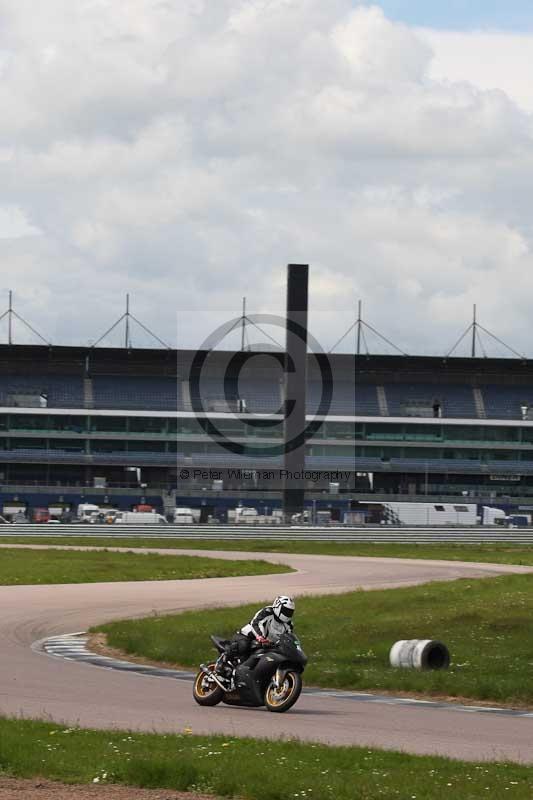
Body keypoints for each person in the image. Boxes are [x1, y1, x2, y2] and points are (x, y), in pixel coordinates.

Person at [216, 595, 296, 680]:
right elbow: (256, 623)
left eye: (290, 612)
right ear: (278, 607)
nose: (288, 614)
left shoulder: (288, 624)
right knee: (244, 645)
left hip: (267, 645)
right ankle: (223, 661)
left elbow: (288, 637)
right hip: (248, 636)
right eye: (286, 611)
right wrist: (260, 637)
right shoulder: (267, 612)